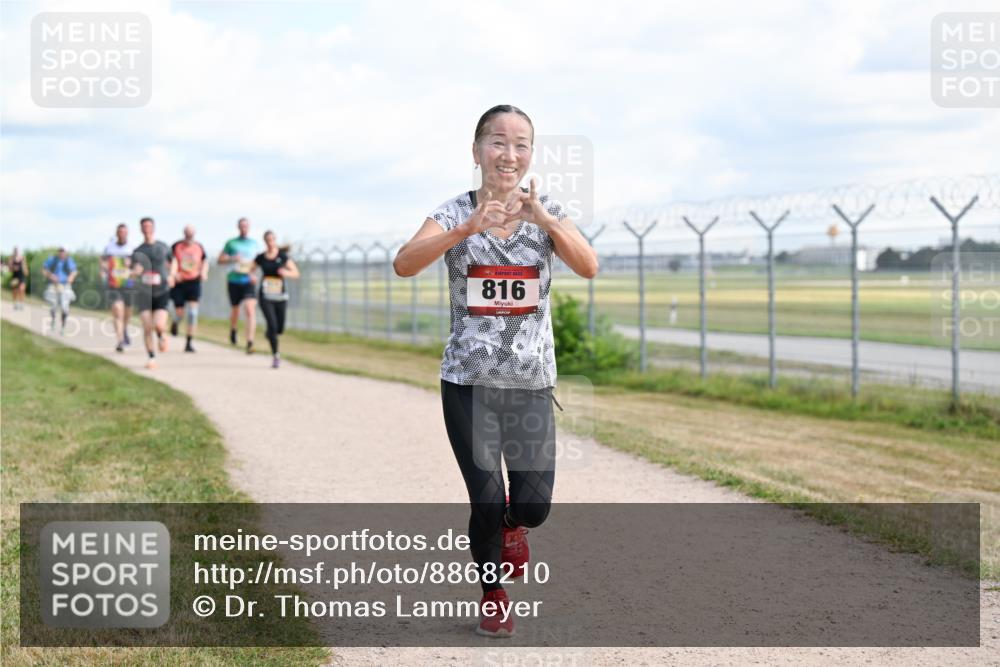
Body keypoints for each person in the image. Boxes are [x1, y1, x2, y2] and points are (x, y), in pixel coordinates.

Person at [393, 105, 598, 637]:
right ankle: (493, 594)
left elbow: (589, 265)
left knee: (532, 506)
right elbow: (405, 261)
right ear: (477, 149)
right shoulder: (453, 211)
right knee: (484, 496)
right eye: (498, 142)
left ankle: (513, 525)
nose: (510, 155)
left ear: (531, 154)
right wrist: (464, 229)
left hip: (530, 383)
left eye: (521, 144)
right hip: (468, 382)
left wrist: (548, 223)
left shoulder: (547, 210)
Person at [251, 231, 300, 368]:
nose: (270, 242)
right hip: (265, 296)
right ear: (265, 241)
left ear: (275, 240)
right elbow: (251, 270)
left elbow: (296, 273)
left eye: (272, 239)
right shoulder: (261, 257)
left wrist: (286, 272)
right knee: (272, 325)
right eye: (267, 240)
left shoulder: (282, 256)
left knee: (279, 329)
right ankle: (276, 355)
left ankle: (270, 333)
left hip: (280, 296)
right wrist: (252, 276)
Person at [130, 217, 174, 369]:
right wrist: (136, 272)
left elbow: (173, 262)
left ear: (153, 228)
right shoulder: (138, 250)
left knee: (159, 325)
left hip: (161, 290)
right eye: (144, 226)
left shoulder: (163, 246)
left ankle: (162, 336)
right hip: (144, 292)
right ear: (141, 229)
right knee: (147, 326)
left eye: (149, 226)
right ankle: (151, 357)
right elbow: (133, 271)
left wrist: (172, 275)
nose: (147, 229)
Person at [219, 217, 260, 354]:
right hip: (234, 280)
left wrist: (254, 274)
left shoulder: (254, 244)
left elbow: (256, 263)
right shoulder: (231, 243)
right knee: (235, 309)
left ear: (249, 227)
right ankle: (233, 328)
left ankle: (250, 342)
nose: (244, 228)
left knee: (250, 309)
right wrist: (232, 258)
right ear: (238, 227)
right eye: (241, 226)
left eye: (246, 226)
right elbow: (220, 260)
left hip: (248, 281)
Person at [169, 226, 208, 353]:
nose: (189, 236)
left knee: (192, 313)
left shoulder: (199, 247)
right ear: (184, 233)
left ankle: (189, 342)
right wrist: (174, 274)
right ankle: (175, 323)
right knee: (180, 313)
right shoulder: (176, 246)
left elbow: (204, 261)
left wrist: (203, 272)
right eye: (187, 233)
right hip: (180, 283)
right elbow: (172, 261)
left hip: (194, 282)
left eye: (191, 233)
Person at [101, 223, 135, 352]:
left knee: (127, 312)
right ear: (116, 233)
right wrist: (104, 270)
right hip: (113, 284)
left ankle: (124, 329)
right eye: (119, 232)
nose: (122, 234)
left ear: (127, 233)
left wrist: (131, 267)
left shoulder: (132, 248)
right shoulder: (109, 248)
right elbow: (103, 261)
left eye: (124, 232)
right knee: (117, 310)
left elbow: (138, 265)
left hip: (128, 284)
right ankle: (120, 340)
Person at [42, 247, 78, 335]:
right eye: (60, 251)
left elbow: (74, 271)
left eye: (63, 251)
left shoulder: (69, 261)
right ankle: (53, 320)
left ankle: (63, 327)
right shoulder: (53, 259)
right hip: (54, 285)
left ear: (66, 252)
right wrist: (50, 276)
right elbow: (44, 269)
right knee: (53, 306)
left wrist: (71, 277)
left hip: (65, 285)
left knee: (64, 307)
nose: (61, 252)